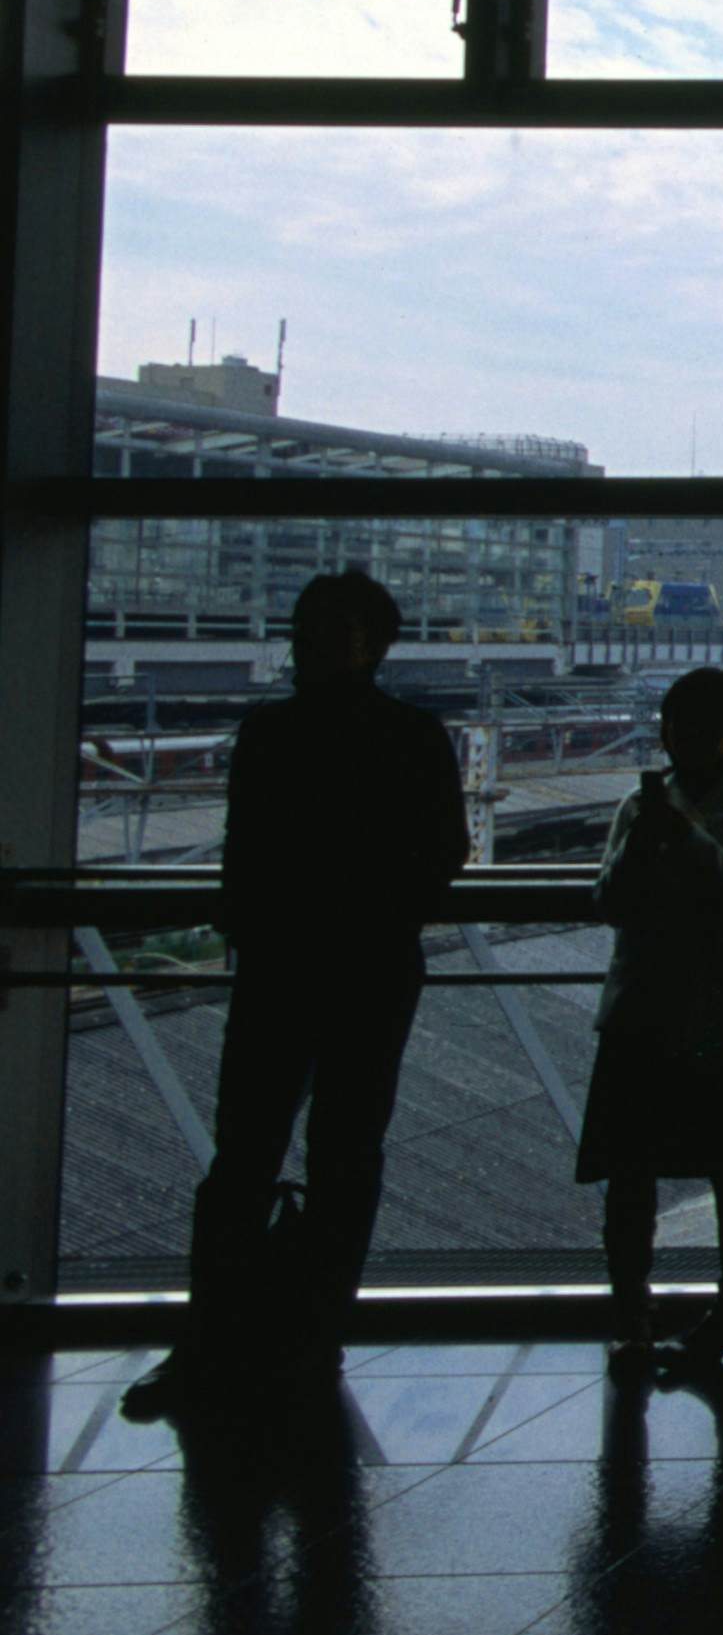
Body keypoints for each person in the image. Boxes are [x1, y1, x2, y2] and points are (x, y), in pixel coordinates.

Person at [125, 569, 469, 1422]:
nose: (301, 642)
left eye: (315, 628)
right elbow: (443, 856)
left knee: (242, 1159)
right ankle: (312, 1339)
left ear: (357, 640)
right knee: (346, 1160)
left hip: (279, 973)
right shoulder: (415, 737)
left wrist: (266, 926)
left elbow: (243, 857)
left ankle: (211, 1340)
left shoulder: (269, 734)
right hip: (373, 972)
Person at [584, 667, 723, 1378]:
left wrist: (687, 840)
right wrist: (644, 845)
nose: (682, 740)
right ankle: (632, 1318)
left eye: (701, 727)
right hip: (647, 1008)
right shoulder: (638, 808)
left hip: (722, 1012)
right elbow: (610, 903)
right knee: (634, 1175)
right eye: (676, 725)